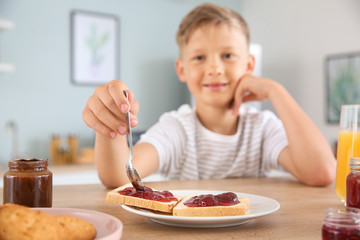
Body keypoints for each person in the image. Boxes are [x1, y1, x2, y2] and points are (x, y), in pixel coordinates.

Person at [82, 3, 336, 189]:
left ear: (249, 65)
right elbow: (118, 177)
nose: (214, 68)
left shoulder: (262, 128)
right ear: (182, 69)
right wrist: (111, 119)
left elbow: (322, 172)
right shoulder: (177, 128)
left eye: (228, 55)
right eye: (199, 58)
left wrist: (275, 91)